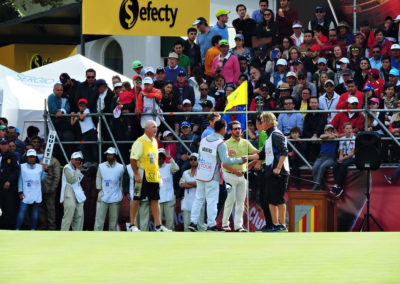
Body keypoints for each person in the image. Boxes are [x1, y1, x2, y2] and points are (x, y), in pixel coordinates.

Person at [188, 119, 245, 231]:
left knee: (198, 198)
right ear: (223, 129)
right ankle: (211, 224)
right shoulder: (220, 143)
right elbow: (225, 160)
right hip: (212, 175)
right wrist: (240, 160)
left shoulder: (204, 140)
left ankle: (193, 222)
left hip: (201, 173)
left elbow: (200, 156)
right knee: (212, 200)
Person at [247, 112, 290, 232]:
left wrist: (278, 168)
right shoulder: (269, 135)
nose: (261, 123)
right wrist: (246, 158)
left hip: (279, 172)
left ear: (266, 122)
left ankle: (282, 226)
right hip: (271, 171)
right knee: (271, 199)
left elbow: (284, 152)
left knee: (279, 199)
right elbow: (262, 155)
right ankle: (275, 225)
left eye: (262, 121)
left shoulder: (276, 134)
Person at [129, 120, 171, 232]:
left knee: (155, 199)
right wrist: (136, 174)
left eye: (156, 127)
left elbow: (154, 160)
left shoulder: (155, 142)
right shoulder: (140, 142)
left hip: (153, 175)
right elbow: (133, 159)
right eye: (153, 127)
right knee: (137, 198)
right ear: (146, 129)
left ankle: (158, 226)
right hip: (142, 174)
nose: (155, 129)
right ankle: (132, 225)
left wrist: (159, 174)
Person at [222, 121, 259, 232]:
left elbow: (257, 153)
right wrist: (235, 170)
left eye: (239, 128)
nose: (238, 130)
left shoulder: (245, 142)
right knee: (230, 200)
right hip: (229, 175)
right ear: (230, 131)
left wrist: (249, 163)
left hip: (242, 176)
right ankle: (225, 224)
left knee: (241, 202)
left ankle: (238, 226)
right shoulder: (226, 144)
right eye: (235, 128)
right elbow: (222, 162)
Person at [16, 149, 48, 230]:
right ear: (27, 157)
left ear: (35, 157)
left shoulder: (40, 167)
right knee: (22, 212)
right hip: (25, 193)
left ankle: (33, 229)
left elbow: (42, 179)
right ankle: (17, 229)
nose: (31, 158)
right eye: (30, 157)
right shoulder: (22, 166)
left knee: (35, 213)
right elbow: (20, 179)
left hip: (36, 193)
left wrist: (45, 170)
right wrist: (20, 191)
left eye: (33, 157)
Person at [94, 147, 124, 231]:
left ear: (115, 155)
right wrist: (99, 190)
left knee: (113, 221)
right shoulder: (101, 166)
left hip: (115, 196)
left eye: (110, 154)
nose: (108, 156)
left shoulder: (121, 167)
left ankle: (112, 238)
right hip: (103, 195)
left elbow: (122, 182)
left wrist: (120, 193)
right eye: (107, 154)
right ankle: (96, 237)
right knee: (99, 220)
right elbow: (98, 178)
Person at [60, 152, 86, 231]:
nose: (77, 161)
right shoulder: (67, 167)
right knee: (68, 215)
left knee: (79, 215)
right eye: (76, 159)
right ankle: (63, 234)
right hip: (69, 192)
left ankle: (77, 235)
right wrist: (78, 170)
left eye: (79, 160)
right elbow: (71, 180)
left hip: (77, 192)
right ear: (71, 159)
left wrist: (78, 170)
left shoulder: (76, 168)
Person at [179, 153, 205, 232]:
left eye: (195, 159)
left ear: (198, 161)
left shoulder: (202, 172)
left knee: (200, 225)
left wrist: (189, 183)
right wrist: (193, 183)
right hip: (187, 201)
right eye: (191, 159)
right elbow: (181, 184)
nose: (193, 161)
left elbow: (199, 183)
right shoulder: (185, 172)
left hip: (199, 201)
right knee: (186, 225)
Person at [330, 123, 356, 198]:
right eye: (347, 128)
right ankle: (339, 188)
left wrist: (342, 159)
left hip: (352, 157)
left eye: (350, 128)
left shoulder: (354, 138)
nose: (349, 130)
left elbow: (352, 153)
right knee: (335, 164)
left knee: (343, 164)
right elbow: (341, 151)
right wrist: (340, 158)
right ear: (344, 130)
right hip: (344, 156)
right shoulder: (342, 139)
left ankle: (336, 185)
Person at [0, 138, 20, 230]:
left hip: (9, 188)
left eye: (5, 144)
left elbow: (16, 170)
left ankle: (9, 228)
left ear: (7, 145)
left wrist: (9, 181)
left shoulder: (12, 156)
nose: (3, 146)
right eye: (1, 144)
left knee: (9, 208)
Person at [70, 98, 98, 163]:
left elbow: (82, 117)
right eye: (80, 105)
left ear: (86, 106)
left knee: (94, 147)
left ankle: (96, 162)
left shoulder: (87, 110)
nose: (82, 107)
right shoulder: (79, 113)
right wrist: (72, 116)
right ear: (78, 106)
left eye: (83, 105)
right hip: (85, 133)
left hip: (91, 131)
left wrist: (78, 114)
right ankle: (89, 161)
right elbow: (72, 123)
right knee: (83, 147)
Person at [311, 124, 338, 190]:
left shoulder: (335, 135)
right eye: (328, 130)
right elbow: (321, 136)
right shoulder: (323, 136)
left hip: (330, 157)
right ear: (325, 131)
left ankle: (316, 186)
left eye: (331, 130)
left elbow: (336, 136)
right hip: (321, 157)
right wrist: (328, 135)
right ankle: (319, 186)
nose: (329, 131)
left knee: (322, 167)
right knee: (314, 168)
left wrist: (331, 135)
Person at [158, 148, 179, 231]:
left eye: (163, 157)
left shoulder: (169, 166)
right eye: (159, 157)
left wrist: (170, 158)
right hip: (158, 200)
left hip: (169, 199)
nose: (161, 159)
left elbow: (176, 168)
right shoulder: (153, 168)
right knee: (158, 225)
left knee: (170, 224)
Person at [38, 155, 60, 230]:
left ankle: (52, 227)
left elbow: (57, 176)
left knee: (50, 209)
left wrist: (53, 187)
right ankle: (43, 225)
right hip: (40, 189)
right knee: (40, 209)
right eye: (44, 149)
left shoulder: (55, 161)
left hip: (50, 189)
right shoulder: (41, 160)